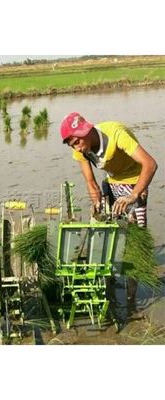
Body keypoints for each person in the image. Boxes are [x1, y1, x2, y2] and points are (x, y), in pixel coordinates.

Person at [60, 112, 158, 318]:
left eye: (78, 142)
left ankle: (131, 302)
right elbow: (91, 182)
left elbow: (150, 164)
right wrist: (97, 203)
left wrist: (133, 195)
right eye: (72, 145)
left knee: (134, 243)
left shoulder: (116, 134)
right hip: (110, 184)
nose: (77, 148)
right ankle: (109, 288)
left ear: (87, 131)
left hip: (134, 182)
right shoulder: (80, 150)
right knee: (105, 235)